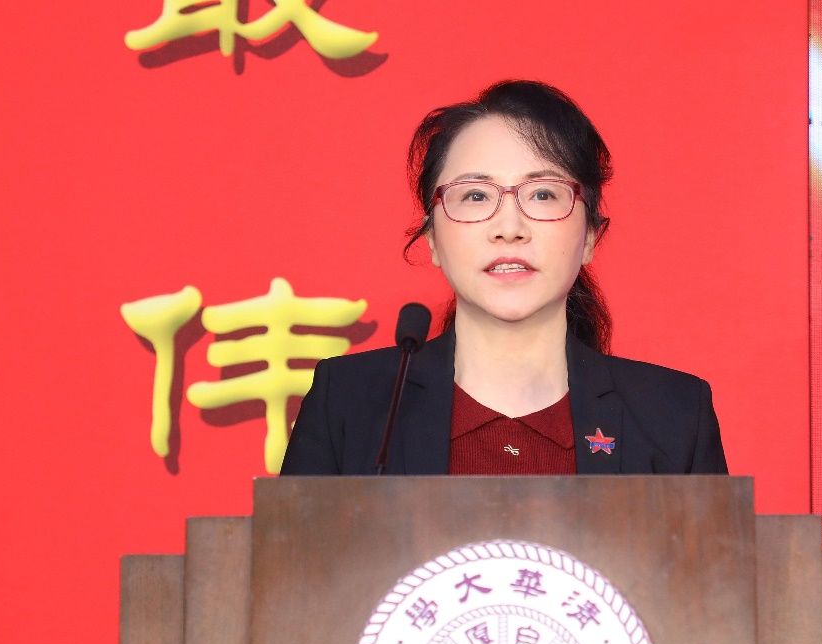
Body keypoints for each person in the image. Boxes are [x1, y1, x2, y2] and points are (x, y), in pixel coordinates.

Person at [280, 80, 726, 476]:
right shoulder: (350, 403)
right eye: (475, 195)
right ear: (432, 238)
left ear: (590, 235)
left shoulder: (675, 415)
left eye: (543, 194)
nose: (509, 228)